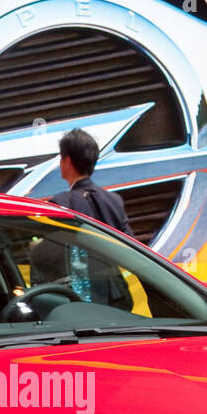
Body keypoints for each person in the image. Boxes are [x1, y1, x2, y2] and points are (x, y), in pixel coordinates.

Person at [47, 129, 135, 309]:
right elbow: (130, 247)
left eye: (61, 158)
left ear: (68, 161)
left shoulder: (61, 202)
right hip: (115, 296)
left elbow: (51, 250)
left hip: (79, 300)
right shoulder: (114, 200)